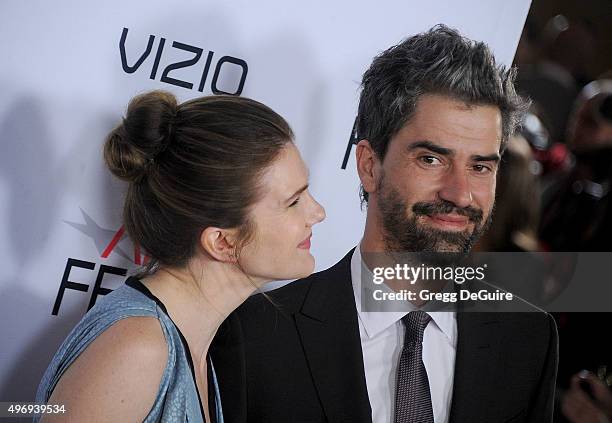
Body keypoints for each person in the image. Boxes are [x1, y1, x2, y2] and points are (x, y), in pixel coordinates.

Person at [211, 25, 558, 423]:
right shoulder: (256, 336)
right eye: (432, 159)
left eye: (480, 166)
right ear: (369, 166)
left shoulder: (529, 338)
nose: (460, 193)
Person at [35, 91, 325, 422]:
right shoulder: (139, 349)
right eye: (293, 202)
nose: (318, 212)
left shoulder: (195, 346)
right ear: (221, 242)